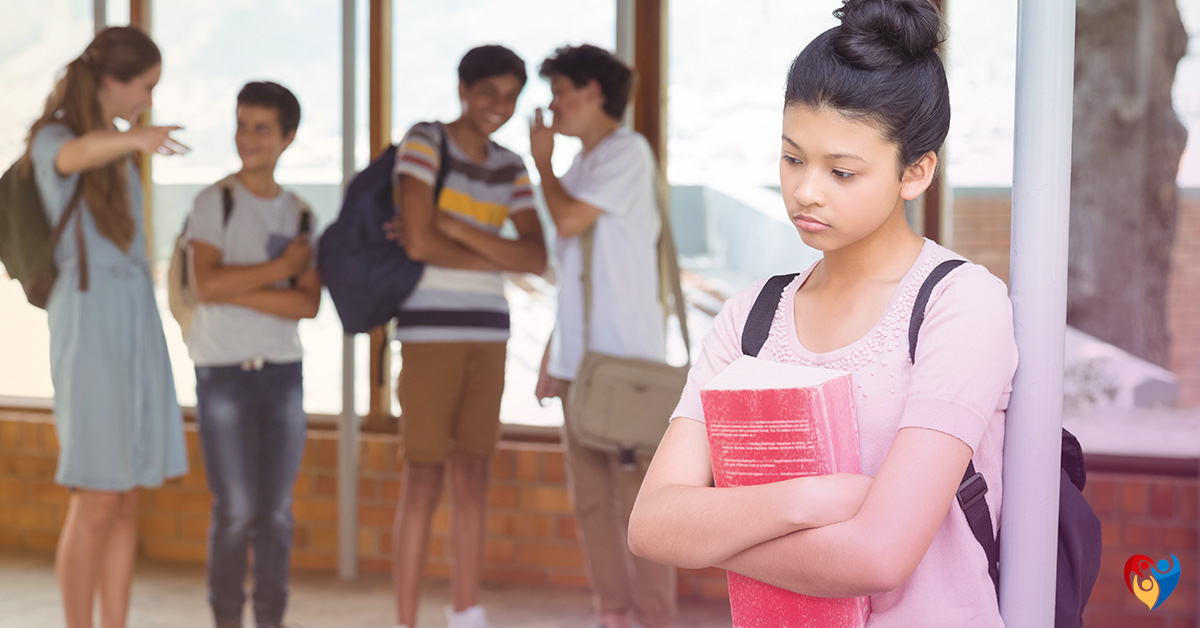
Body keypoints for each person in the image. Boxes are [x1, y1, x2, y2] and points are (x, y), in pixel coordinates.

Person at [626, 1, 1018, 625]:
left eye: (842, 171)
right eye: (791, 158)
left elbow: (880, 556)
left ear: (915, 172)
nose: (807, 189)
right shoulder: (750, 317)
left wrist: (723, 535)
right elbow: (652, 524)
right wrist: (813, 499)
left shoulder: (959, 304)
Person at [25, 25, 188, 628]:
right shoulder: (56, 138)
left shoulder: (118, 147)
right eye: (143, 88)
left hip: (134, 322)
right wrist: (133, 140)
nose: (147, 101)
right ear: (111, 81)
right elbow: (69, 158)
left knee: (124, 496)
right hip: (89, 323)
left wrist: (129, 141)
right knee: (95, 495)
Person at [389, 44, 547, 628]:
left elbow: (534, 255)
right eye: (489, 94)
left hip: (489, 334)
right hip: (429, 334)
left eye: (510, 98)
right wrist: (488, 246)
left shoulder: (510, 165)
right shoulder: (426, 140)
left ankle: (466, 612)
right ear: (463, 89)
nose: (499, 108)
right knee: (423, 475)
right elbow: (417, 244)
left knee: (474, 471)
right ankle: (406, 618)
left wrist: (451, 223)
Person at [530, 44, 676, 628]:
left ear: (594, 93)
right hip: (583, 362)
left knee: (645, 508)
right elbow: (572, 275)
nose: (554, 106)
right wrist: (552, 353)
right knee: (592, 503)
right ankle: (613, 612)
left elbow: (567, 221)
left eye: (561, 91)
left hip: (627, 364)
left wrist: (540, 164)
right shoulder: (581, 168)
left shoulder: (626, 152)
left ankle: (656, 617)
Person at [185, 81, 319, 628]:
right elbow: (206, 286)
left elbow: (307, 303)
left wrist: (235, 283)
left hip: (284, 376)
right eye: (242, 125)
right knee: (236, 514)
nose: (248, 138)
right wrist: (280, 267)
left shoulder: (303, 212)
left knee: (277, 516)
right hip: (222, 375)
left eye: (261, 128)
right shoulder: (212, 201)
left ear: (287, 136)